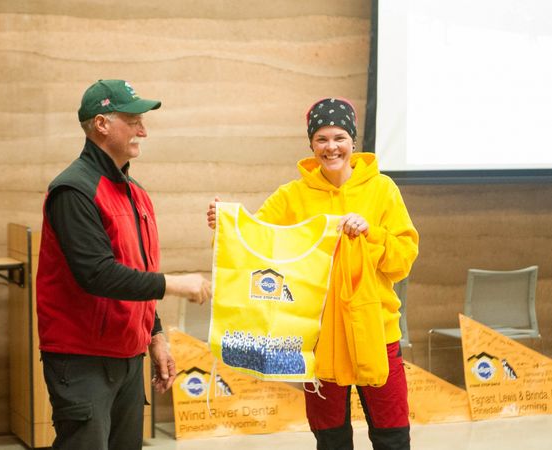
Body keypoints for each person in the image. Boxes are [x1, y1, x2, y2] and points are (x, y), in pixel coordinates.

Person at [207, 97, 419, 449]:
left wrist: (371, 233)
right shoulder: (292, 196)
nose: (331, 147)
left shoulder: (383, 190)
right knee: (330, 439)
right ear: (311, 144)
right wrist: (226, 222)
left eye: (339, 137)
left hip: (377, 332)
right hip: (318, 339)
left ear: (353, 141)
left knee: (393, 435)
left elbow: (403, 259)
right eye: (321, 139)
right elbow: (259, 240)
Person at [36, 79, 211, 450]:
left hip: (128, 357)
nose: (143, 131)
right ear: (101, 124)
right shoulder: (73, 191)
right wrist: (176, 284)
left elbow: (137, 271)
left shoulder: (137, 193)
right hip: (82, 360)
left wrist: (155, 335)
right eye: (133, 121)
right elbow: (97, 274)